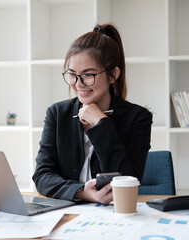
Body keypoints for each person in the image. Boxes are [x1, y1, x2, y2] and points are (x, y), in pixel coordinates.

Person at [32, 23, 152, 204]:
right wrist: (82, 192)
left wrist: (102, 123)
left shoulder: (138, 118)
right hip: (67, 212)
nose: (78, 84)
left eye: (88, 74)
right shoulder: (57, 114)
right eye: (72, 74)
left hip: (115, 214)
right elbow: (42, 176)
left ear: (113, 75)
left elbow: (128, 181)